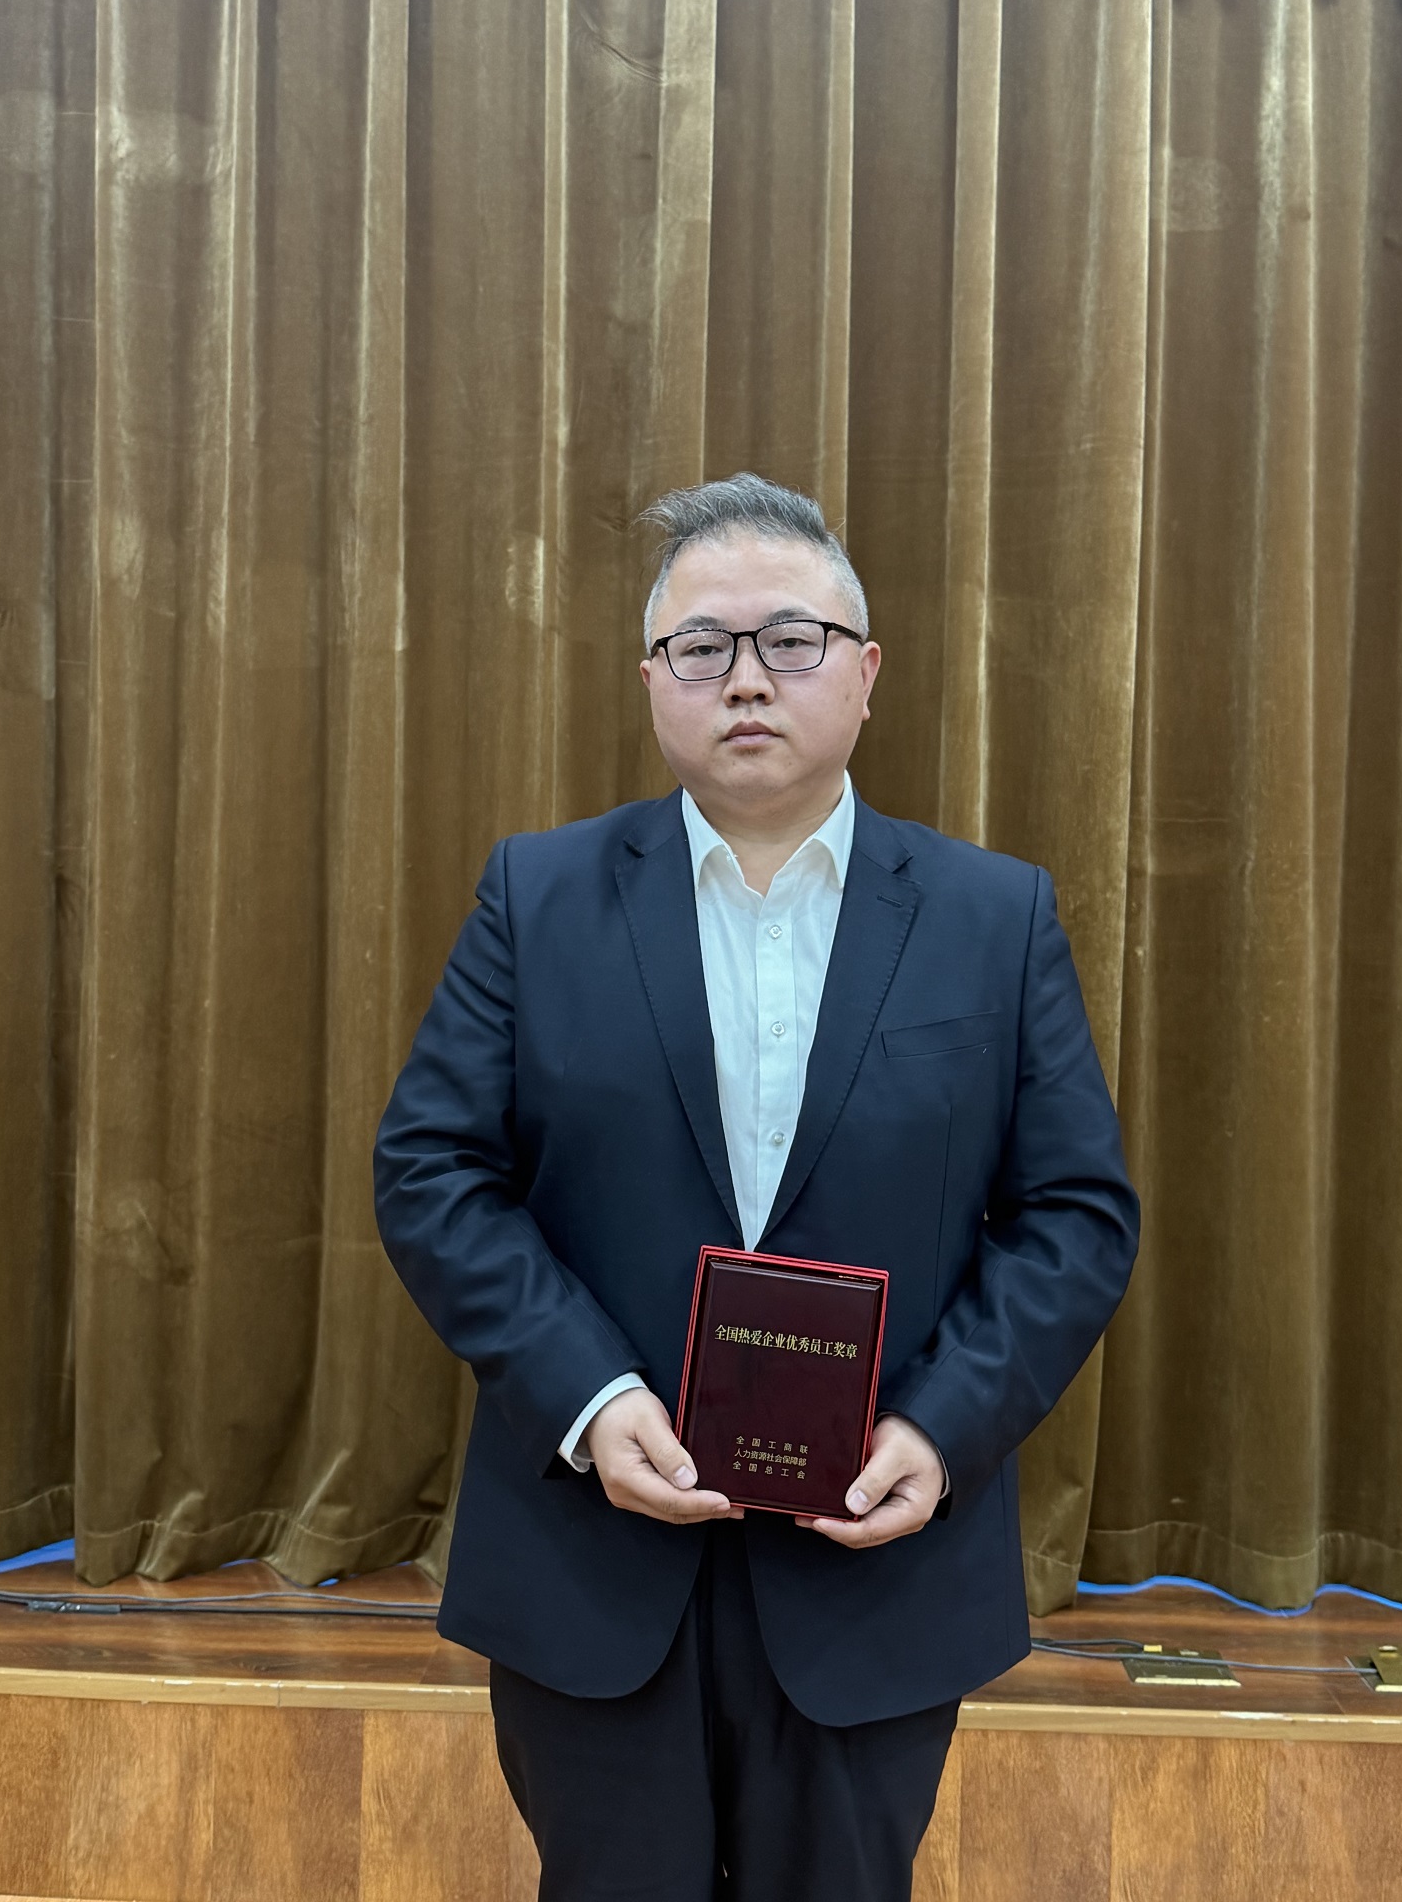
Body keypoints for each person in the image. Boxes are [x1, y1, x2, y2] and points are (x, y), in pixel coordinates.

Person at [373, 473, 1139, 1902]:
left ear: (867, 672)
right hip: (595, 1561)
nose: (745, 679)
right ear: (651, 681)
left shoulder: (994, 915)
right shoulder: (537, 898)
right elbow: (433, 1173)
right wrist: (591, 1402)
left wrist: (942, 1426)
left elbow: (1075, 1218)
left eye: (791, 641)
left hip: (873, 1564)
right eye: (700, 647)